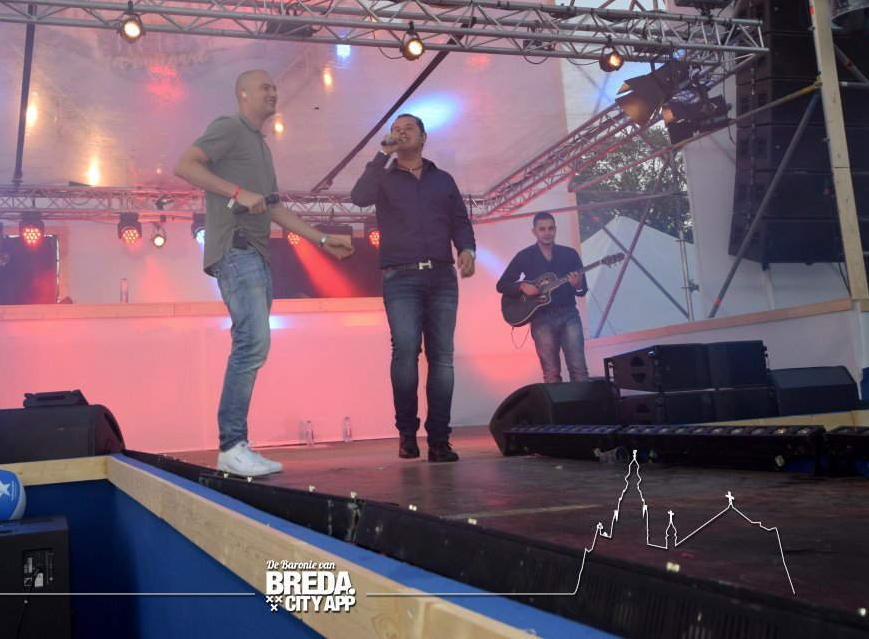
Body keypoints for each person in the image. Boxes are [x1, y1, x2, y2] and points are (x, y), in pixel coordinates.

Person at [174, 69, 354, 478]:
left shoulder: (260, 146)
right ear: (243, 94)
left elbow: (274, 207)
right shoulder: (229, 126)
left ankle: (235, 446)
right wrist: (237, 192)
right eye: (264, 87)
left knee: (254, 344)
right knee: (252, 342)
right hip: (236, 249)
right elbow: (184, 165)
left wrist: (322, 239)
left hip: (255, 253)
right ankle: (231, 446)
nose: (273, 92)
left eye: (275, 86)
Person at [349, 114, 476, 463]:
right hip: (400, 276)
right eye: (395, 129)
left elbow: (460, 221)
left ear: (423, 137)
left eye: (408, 129)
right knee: (405, 352)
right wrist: (382, 154)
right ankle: (407, 434)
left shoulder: (443, 180)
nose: (401, 133)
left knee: (442, 358)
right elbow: (358, 197)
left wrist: (467, 248)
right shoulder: (383, 178)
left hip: (442, 276)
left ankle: (439, 440)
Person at [497, 212, 589, 384]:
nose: (547, 233)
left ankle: (582, 402)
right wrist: (522, 286)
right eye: (542, 229)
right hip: (540, 318)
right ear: (534, 231)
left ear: (555, 229)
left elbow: (583, 289)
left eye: (551, 228)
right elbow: (502, 285)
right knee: (551, 374)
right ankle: (557, 403)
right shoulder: (524, 256)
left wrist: (577, 285)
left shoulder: (570, 254)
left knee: (579, 370)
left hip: (569, 314)